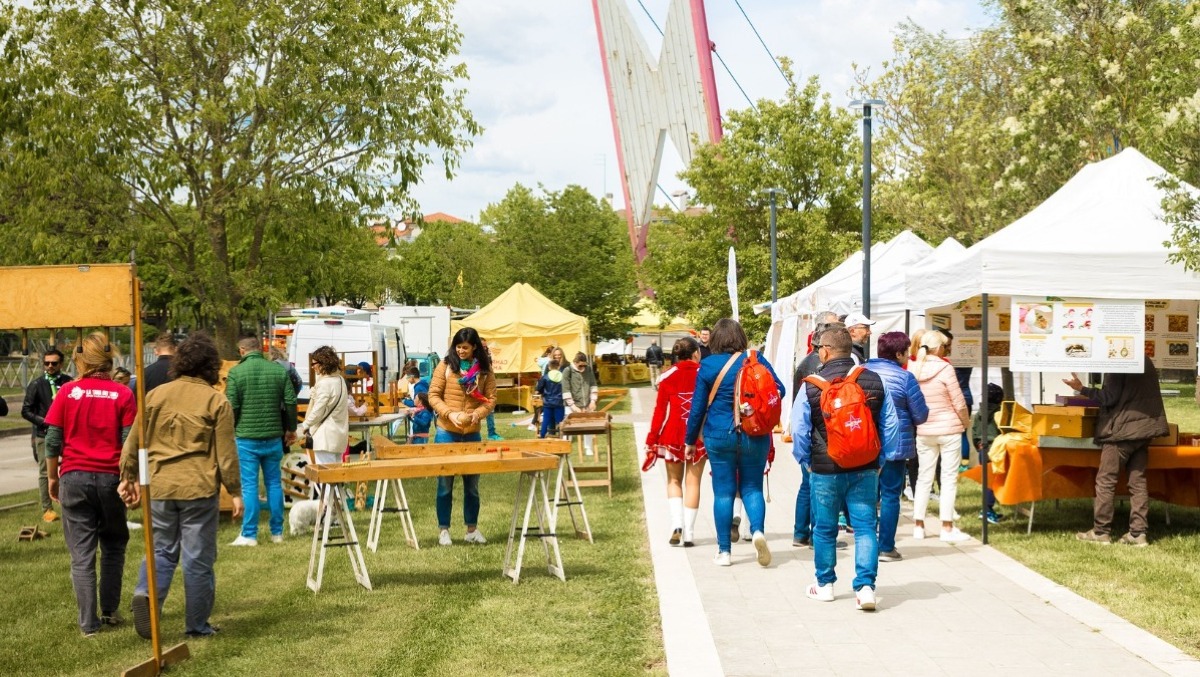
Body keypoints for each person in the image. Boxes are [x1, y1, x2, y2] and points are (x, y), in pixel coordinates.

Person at [117, 332, 242, 640]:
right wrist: (236, 491)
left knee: (161, 549)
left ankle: (146, 593)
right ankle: (197, 625)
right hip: (197, 488)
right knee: (197, 559)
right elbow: (226, 454)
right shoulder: (216, 400)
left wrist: (127, 476)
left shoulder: (155, 395)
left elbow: (133, 441)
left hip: (159, 486)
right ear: (211, 366)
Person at [792, 326, 898, 611]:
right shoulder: (873, 379)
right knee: (865, 528)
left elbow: (800, 430)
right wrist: (881, 460)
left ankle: (824, 585)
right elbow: (891, 425)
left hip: (825, 470)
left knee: (825, 529)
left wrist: (806, 463)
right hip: (865, 467)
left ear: (825, 350)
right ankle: (865, 588)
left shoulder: (810, 384)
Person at [43, 333, 137, 636]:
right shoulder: (123, 394)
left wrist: (53, 478)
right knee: (113, 545)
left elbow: (53, 440)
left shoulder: (67, 392)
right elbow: (128, 443)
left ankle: (88, 624)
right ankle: (110, 610)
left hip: (74, 477)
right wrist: (129, 479)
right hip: (110, 478)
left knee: (82, 555)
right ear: (109, 361)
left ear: (81, 361)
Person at [684, 318, 784, 568]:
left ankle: (724, 551)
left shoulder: (707, 365)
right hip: (754, 433)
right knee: (752, 487)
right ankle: (758, 531)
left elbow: (697, 408)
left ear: (715, 339)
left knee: (724, 491)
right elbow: (778, 390)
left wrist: (690, 440)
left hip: (719, 434)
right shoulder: (756, 360)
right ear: (741, 338)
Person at [1065, 357, 1168, 546]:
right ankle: (1138, 534)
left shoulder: (1118, 361)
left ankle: (1100, 532)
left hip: (1121, 431)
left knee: (1106, 480)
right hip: (1144, 429)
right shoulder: (1146, 360)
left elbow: (1109, 397)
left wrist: (1083, 389)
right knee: (1138, 481)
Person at [225, 336, 297, 546]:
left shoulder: (236, 373)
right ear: (261, 349)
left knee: (249, 486)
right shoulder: (278, 370)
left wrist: (234, 427)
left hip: (246, 438)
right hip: (273, 436)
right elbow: (291, 401)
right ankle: (277, 532)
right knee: (274, 484)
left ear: (242, 351)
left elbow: (233, 406)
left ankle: (249, 534)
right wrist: (290, 428)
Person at [428, 326, 496, 546]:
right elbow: (433, 395)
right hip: (446, 431)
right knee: (445, 484)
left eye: (465, 347)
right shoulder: (446, 365)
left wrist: (477, 414)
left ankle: (471, 530)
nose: (461, 351)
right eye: (458, 347)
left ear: (475, 347)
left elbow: (491, 398)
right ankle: (444, 530)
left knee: (472, 485)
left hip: (472, 434)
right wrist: (450, 414)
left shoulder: (485, 370)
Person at [864, 331, 929, 562]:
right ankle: (886, 547)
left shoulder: (862, 372)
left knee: (867, 495)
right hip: (895, 445)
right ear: (899, 353)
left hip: (865, 443)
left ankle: (866, 545)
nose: (908, 357)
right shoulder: (905, 378)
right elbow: (921, 414)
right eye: (906, 352)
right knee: (891, 495)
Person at [644, 337, 707, 546]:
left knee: (673, 481)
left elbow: (660, 411)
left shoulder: (667, 376)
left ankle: (676, 524)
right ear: (696, 353)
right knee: (693, 482)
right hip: (698, 435)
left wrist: (652, 438)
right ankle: (689, 533)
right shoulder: (704, 374)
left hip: (672, 434)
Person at [792, 321, 849, 551]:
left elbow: (799, 415)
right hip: (830, 441)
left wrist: (801, 455)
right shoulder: (832, 367)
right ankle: (818, 536)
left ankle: (799, 533)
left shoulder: (804, 365)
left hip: (812, 442)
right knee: (821, 494)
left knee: (807, 487)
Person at [910, 330, 971, 543]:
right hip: (949, 428)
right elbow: (959, 401)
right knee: (948, 479)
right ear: (938, 348)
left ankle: (918, 525)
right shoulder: (945, 368)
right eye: (944, 346)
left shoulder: (914, 368)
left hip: (925, 429)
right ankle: (946, 526)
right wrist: (965, 422)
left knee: (924, 478)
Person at [23, 347, 72, 523]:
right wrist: (44, 421)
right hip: (44, 433)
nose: (50, 366)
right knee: (45, 472)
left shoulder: (69, 383)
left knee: (70, 468)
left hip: (67, 434)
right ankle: (47, 509)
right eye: (46, 363)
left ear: (61, 364)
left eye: (54, 363)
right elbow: (26, 410)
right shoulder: (36, 384)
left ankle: (70, 504)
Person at [295, 346, 350, 465]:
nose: (312, 366)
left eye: (314, 363)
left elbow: (318, 410)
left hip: (325, 437)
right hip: (338, 435)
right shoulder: (340, 380)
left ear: (323, 364)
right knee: (335, 478)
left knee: (325, 479)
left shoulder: (325, 383)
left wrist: (305, 425)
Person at [971, 383, 1006, 525]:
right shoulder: (1000, 414)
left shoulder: (979, 413)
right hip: (996, 450)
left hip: (982, 450)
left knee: (987, 480)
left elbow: (974, 432)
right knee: (992, 481)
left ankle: (987, 509)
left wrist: (978, 446)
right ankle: (986, 510)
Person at [562, 352, 599, 455]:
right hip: (571, 405)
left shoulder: (588, 370)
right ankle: (565, 448)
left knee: (588, 426)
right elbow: (565, 390)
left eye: (584, 365)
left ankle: (588, 448)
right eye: (580, 365)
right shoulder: (567, 371)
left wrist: (593, 401)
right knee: (568, 428)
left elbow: (593, 385)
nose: (583, 367)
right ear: (575, 362)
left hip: (586, 404)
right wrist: (573, 406)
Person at [535, 360, 565, 439]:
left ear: (549, 367)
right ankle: (562, 436)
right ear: (559, 366)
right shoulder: (563, 376)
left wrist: (541, 393)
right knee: (560, 420)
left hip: (548, 402)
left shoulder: (545, 377)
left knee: (546, 420)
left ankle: (542, 435)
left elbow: (539, 388)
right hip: (559, 402)